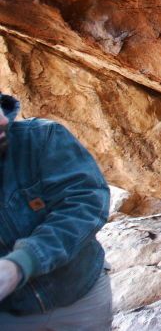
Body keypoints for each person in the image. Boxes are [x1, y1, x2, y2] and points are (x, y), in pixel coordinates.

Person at [0, 91, 112, 330]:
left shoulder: (42, 137)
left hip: (80, 293)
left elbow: (86, 203)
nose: (2, 119)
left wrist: (22, 262)